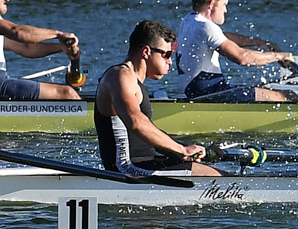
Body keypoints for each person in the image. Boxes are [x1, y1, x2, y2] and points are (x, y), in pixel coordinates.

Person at [96, 20, 226, 177]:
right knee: (219, 178)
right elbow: (136, 123)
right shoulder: (120, 75)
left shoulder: (133, 81)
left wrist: (182, 148)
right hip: (127, 169)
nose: (170, 62)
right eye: (167, 54)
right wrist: (181, 150)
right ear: (146, 52)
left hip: (148, 162)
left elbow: (146, 133)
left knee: (220, 174)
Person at [173, 0, 298, 102]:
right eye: (224, 4)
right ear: (211, 4)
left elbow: (223, 36)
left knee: (264, 90)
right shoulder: (206, 27)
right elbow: (242, 58)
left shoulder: (190, 20)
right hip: (210, 93)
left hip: (197, 90)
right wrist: (280, 56)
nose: (225, 10)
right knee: (287, 95)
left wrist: (259, 43)